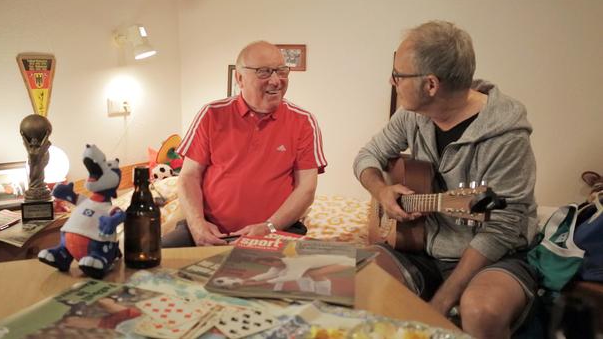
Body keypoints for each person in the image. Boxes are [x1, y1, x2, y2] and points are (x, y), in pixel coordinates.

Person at [353, 20, 538, 338]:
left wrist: (441, 301)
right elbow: (366, 157)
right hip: (420, 248)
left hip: (495, 257)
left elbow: (502, 228)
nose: (391, 81)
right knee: (353, 280)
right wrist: (382, 191)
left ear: (431, 85)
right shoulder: (411, 115)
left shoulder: (505, 133)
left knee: (482, 310)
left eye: (399, 75)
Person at [163, 41, 327, 247]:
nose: (276, 81)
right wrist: (198, 226)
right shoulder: (212, 114)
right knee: (154, 258)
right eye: (264, 72)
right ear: (240, 78)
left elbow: (307, 189)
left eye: (282, 71)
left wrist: (268, 227)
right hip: (211, 229)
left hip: (275, 230)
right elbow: (188, 176)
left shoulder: (303, 121)